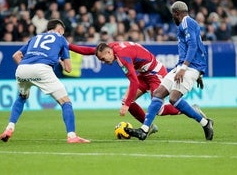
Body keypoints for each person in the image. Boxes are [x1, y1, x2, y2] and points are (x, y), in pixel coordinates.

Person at [69, 42, 206, 135]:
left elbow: (133, 81)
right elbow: (88, 50)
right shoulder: (108, 48)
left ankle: (192, 110)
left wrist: (126, 106)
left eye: (104, 59)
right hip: (144, 74)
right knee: (127, 100)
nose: (104, 62)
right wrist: (68, 45)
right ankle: (149, 127)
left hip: (155, 73)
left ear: (109, 52)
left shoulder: (122, 56)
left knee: (159, 109)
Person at [125, 1, 214, 141]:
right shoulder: (183, 27)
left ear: (177, 13)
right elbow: (192, 48)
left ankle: (205, 122)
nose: (172, 17)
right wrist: (184, 68)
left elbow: (193, 46)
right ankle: (144, 130)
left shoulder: (187, 23)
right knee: (159, 93)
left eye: (173, 14)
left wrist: (187, 69)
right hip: (183, 66)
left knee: (173, 99)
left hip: (190, 67)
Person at [0, 19, 90, 144]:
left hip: (22, 69)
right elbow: (68, 69)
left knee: (21, 98)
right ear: (60, 30)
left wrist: (28, 70)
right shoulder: (61, 39)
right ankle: (72, 136)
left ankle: (9, 128)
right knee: (65, 102)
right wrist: (60, 61)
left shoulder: (36, 37)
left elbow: (16, 55)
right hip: (42, 69)